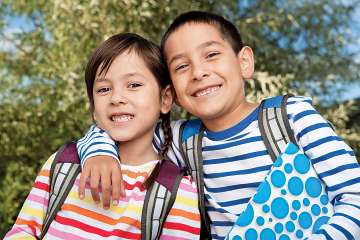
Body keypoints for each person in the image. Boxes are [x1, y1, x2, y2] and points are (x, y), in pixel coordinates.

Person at [76, 11, 360, 240]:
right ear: (171, 92)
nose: (199, 72)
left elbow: (354, 196)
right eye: (181, 67)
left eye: (211, 55)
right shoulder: (182, 140)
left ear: (244, 62)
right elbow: (121, 128)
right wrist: (99, 153)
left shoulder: (291, 118)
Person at [4, 33, 200, 239]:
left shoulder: (177, 191)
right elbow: (23, 231)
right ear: (94, 108)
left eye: (133, 85)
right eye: (104, 89)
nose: (116, 98)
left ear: (165, 99)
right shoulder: (64, 164)